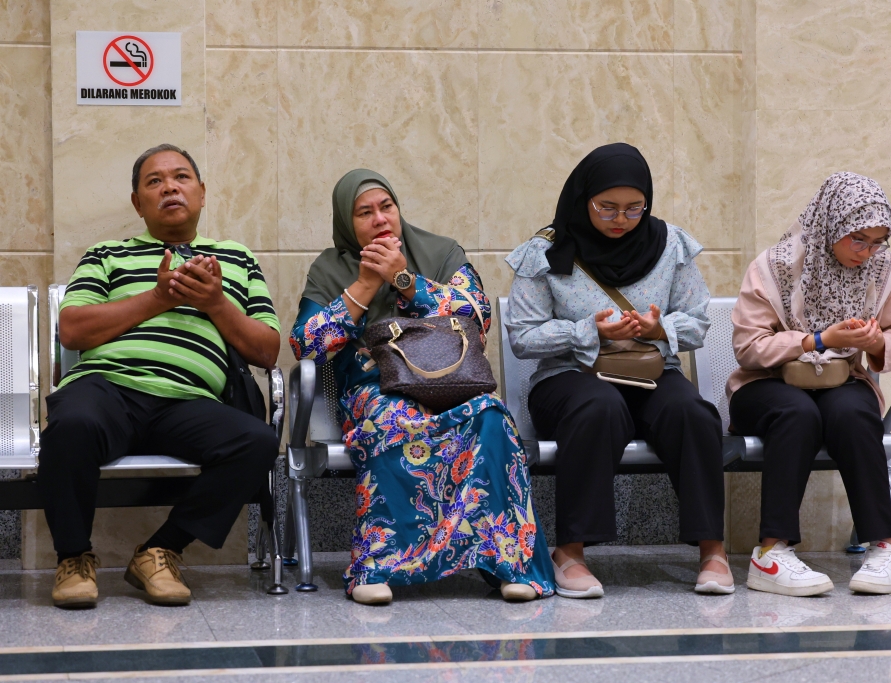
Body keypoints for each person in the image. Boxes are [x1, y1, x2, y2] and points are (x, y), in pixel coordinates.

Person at [289, 169, 555, 605]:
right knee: (395, 421)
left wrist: (404, 279)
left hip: (455, 382)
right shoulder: (330, 266)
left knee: (490, 416)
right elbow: (307, 343)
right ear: (346, 221)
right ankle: (377, 567)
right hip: (375, 389)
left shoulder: (441, 251)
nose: (379, 219)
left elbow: (478, 315)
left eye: (386, 207)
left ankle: (508, 563)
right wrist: (364, 285)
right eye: (364, 212)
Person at [41, 144, 281, 608]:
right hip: (109, 388)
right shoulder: (107, 254)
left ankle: (161, 551)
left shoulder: (236, 258)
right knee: (71, 423)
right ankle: (73, 559)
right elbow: (71, 330)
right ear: (137, 202)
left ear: (202, 193)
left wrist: (214, 303)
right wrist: (157, 298)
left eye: (181, 177)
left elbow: (267, 351)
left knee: (256, 441)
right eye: (154, 181)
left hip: (190, 402)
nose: (169, 186)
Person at [504, 143, 731, 598]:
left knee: (693, 412)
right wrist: (589, 332)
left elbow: (699, 321)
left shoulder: (670, 245)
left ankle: (713, 551)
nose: (620, 219)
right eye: (606, 207)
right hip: (568, 380)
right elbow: (524, 337)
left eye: (633, 208)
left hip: (649, 370)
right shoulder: (544, 253)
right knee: (600, 407)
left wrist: (658, 327)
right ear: (582, 197)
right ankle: (570, 553)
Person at [727, 172, 891, 597]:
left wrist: (876, 341)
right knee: (797, 413)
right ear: (832, 224)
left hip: (842, 377)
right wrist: (818, 340)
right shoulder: (774, 265)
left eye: (877, 241)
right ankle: (771, 553)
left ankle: (885, 548)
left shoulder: (885, 269)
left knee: (852, 413)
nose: (867, 253)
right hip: (766, 382)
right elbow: (748, 348)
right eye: (858, 240)